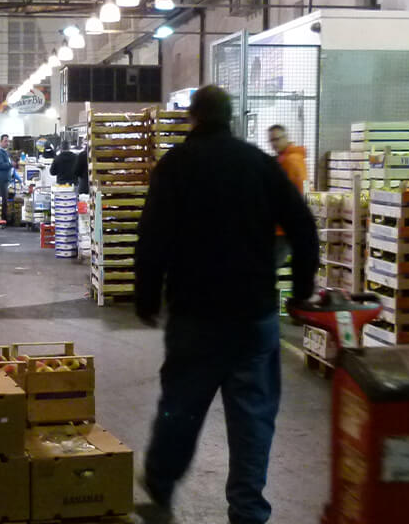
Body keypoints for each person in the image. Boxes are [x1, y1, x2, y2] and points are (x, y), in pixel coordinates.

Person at [135, 86, 318, 524]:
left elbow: (152, 236)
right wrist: (301, 287)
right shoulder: (259, 164)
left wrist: (146, 295)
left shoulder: (174, 166)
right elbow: (302, 225)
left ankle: (160, 485)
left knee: (180, 405)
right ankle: (248, 509)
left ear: (193, 118)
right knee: (253, 417)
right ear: (231, 116)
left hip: (195, 314)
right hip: (253, 314)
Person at [267, 124, 310, 267]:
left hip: (282, 228)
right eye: (271, 140)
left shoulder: (290, 161)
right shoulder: (290, 158)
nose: (274, 144)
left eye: (277, 139)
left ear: (286, 138)